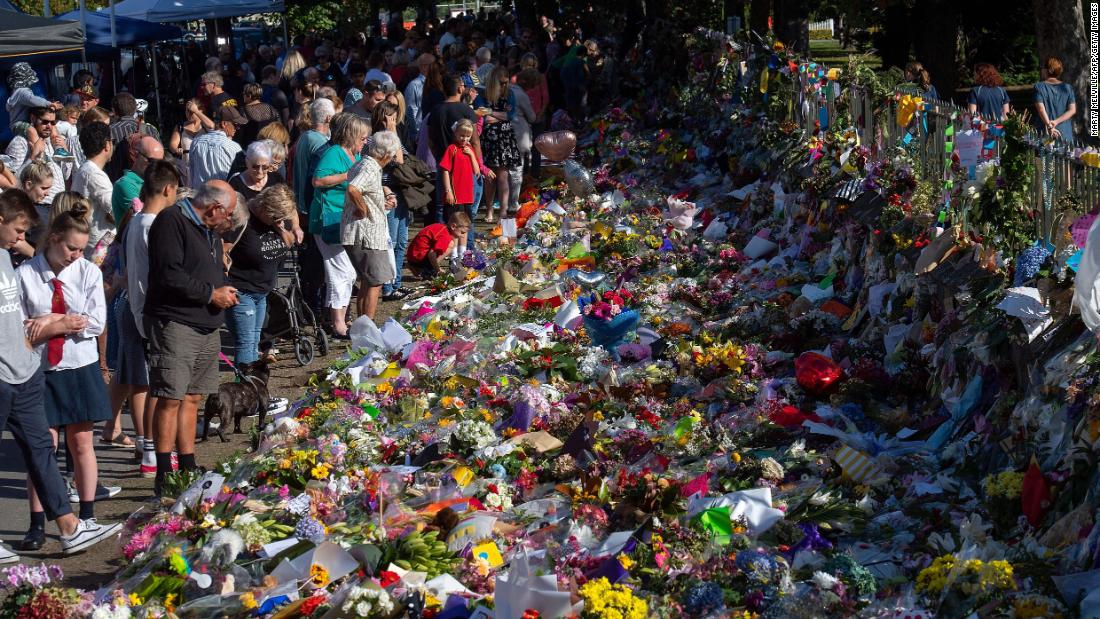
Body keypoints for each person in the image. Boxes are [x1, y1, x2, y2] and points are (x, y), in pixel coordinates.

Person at [0, 189, 122, 561]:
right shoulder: (22, 267)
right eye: (19, 230)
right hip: (6, 373)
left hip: (26, 370)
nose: (23, 240)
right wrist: (51, 325)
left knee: (42, 449)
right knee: (42, 446)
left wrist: (51, 324)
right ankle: (40, 525)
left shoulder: (5, 258)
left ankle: (70, 527)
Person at [144, 180, 239, 496]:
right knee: (170, 396)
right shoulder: (171, 221)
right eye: (228, 214)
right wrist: (211, 294)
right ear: (214, 208)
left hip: (205, 324)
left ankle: (187, 462)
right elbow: (169, 273)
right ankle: (163, 471)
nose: (229, 221)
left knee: (193, 396)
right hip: (176, 322)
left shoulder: (209, 231)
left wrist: (221, 287)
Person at [123, 160, 180, 478]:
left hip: (139, 307)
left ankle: (149, 449)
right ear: (168, 189)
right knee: (162, 387)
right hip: (152, 312)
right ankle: (157, 453)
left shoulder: (137, 221)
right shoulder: (151, 224)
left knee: (146, 383)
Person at [309, 114, 369, 339]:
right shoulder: (334, 152)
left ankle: (340, 319)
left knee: (349, 272)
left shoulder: (354, 153)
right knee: (341, 271)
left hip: (343, 218)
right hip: (328, 219)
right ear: (352, 135)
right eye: (362, 137)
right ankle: (337, 324)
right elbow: (317, 181)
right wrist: (348, 174)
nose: (365, 142)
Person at [224, 185, 297, 365]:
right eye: (275, 216)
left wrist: (280, 227)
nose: (278, 220)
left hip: (262, 293)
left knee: (255, 343)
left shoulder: (274, 223)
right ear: (264, 208)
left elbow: (290, 243)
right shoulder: (243, 220)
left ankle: (251, 388)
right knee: (246, 345)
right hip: (241, 291)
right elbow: (222, 251)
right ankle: (245, 388)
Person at [344, 130, 399, 322]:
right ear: (386, 154)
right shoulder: (369, 167)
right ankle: (368, 328)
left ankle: (362, 326)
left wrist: (378, 203)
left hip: (362, 233)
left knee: (368, 282)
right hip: (367, 234)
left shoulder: (365, 163)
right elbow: (353, 189)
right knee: (375, 282)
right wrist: (364, 209)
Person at [428, 74, 489, 223]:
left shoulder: (436, 110)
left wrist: (438, 157)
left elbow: (430, 140)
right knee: (467, 208)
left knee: (443, 206)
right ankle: (466, 244)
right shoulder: (466, 110)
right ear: (460, 88)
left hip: (444, 164)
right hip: (466, 166)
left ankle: (442, 242)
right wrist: (478, 164)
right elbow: (475, 141)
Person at [475, 66, 522, 223]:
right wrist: (499, 116)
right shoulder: (483, 94)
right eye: (501, 83)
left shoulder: (510, 94)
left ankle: (502, 211)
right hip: (489, 139)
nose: (504, 85)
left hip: (504, 139)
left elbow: (511, 114)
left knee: (503, 176)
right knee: (490, 177)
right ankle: (489, 210)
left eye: (506, 82)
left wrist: (492, 113)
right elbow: (481, 113)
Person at [70, 121, 115, 263]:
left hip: (91, 243)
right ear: (107, 144)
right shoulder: (95, 174)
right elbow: (114, 209)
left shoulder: (85, 170)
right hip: (98, 247)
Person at [6, 106, 69, 206]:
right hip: (36, 206)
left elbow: (66, 174)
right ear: (33, 118)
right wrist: (32, 158)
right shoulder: (20, 142)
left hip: (57, 206)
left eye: (53, 123)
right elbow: (11, 183)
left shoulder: (52, 142)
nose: (49, 126)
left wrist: (64, 150)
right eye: (45, 122)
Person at [439, 118, 480, 254]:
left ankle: (462, 254)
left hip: (467, 195)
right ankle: (453, 255)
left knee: (465, 226)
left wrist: (472, 156)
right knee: (455, 226)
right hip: (455, 195)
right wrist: (448, 191)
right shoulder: (452, 149)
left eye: (468, 136)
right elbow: (445, 170)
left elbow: (477, 171)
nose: (464, 139)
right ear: (456, 133)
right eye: (462, 135)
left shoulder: (470, 149)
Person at [111, 135, 164, 227]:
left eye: (160, 163)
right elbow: (147, 219)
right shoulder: (125, 184)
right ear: (136, 155)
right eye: (151, 161)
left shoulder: (155, 181)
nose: (156, 166)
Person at [189, 106, 246, 186]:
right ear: (224, 124)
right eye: (235, 125)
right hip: (222, 196)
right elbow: (239, 178)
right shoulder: (234, 147)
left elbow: (191, 173)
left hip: (199, 195)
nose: (237, 128)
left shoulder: (196, 142)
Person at [407, 211, 470, 277]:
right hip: (417, 257)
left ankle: (417, 268)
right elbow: (431, 254)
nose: (462, 236)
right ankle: (428, 269)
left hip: (414, 255)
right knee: (450, 245)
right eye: (462, 232)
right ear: (453, 226)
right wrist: (437, 269)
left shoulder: (442, 228)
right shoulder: (445, 237)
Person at [1034, 56, 1077, 142]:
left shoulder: (1039, 87)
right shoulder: (1068, 88)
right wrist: (1056, 122)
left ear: (1047, 70)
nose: (1042, 70)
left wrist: (1050, 126)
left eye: (1043, 67)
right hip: (1065, 133)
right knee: (1067, 154)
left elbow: (1041, 110)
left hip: (1046, 132)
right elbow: (1072, 110)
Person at [169, 100, 208, 173]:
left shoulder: (206, 127)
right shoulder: (180, 126)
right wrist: (176, 150)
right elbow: (172, 145)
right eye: (187, 111)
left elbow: (213, 127)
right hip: (186, 170)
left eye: (191, 111)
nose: (188, 114)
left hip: (204, 168)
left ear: (200, 111)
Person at [237, 83, 281, 147]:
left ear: (249, 95)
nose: (243, 95)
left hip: (251, 147)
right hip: (270, 145)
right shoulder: (271, 108)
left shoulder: (243, 110)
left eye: (244, 93)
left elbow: (240, 132)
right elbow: (279, 126)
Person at [404, 53, 436, 141]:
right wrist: (416, 136)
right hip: (421, 135)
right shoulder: (414, 85)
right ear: (424, 67)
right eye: (433, 65)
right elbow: (410, 113)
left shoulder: (436, 84)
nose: (436, 68)